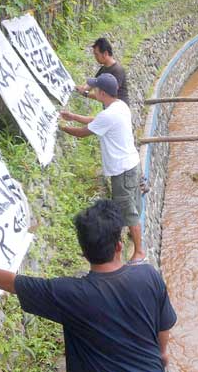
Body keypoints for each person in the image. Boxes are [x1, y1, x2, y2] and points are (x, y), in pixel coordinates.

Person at [0, 199, 177, 372]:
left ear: (83, 251)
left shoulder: (68, 294)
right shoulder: (148, 276)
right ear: (119, 246)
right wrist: (163, 353)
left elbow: (14, 284)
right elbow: (163, 326)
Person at [59, 74, 145, 263]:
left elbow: (83, 133)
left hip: (121, 171)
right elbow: (96, 120)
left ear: (103, 92)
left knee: (128, 211)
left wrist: (63, 128)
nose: (93, 91)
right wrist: (72, 116)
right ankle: (125, 240)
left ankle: (139, 251)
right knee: (132, 206)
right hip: (132, 164)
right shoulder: (120, 106)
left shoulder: (110, 114)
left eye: (96, 88)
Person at [76, 38, 129, 105]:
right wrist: (81, 88)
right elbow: (92, 84)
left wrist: (85, 93)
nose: (95, 57)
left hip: (119, 109)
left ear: (105, 54)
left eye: (96, 54)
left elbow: (107, 95)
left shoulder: (118, 70)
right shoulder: (103, 69)